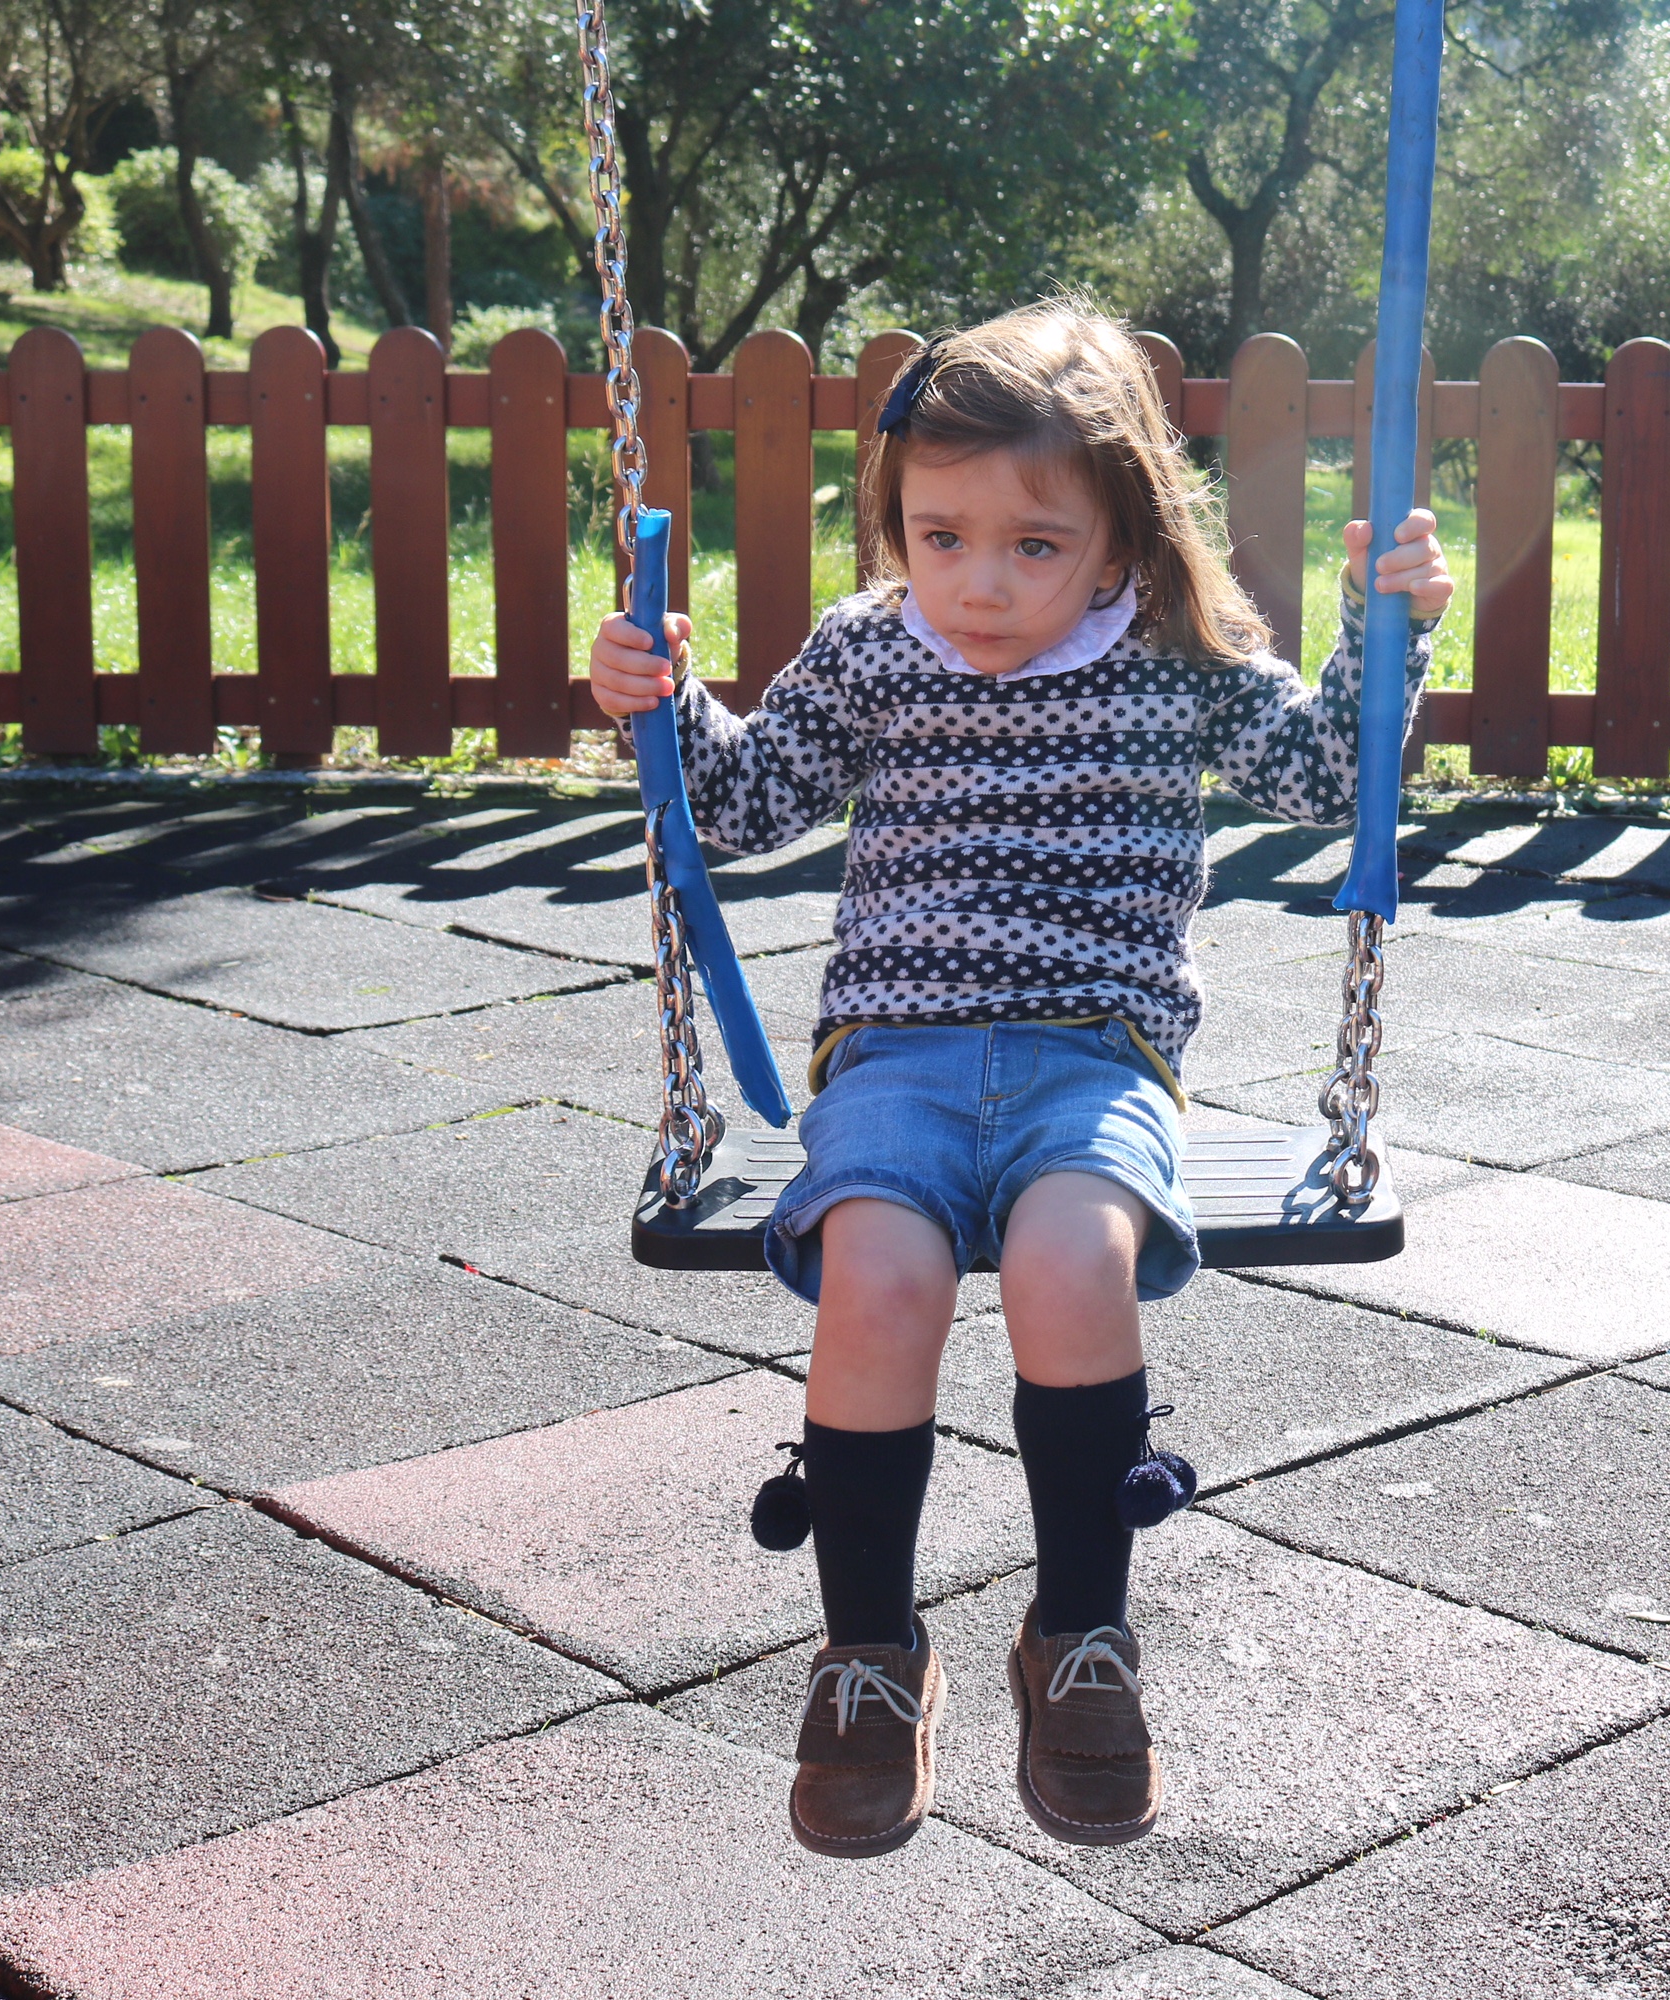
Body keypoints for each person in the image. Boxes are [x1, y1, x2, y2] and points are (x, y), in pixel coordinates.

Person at [587, 297, 1450, 1859]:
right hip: (894, 1061)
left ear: (1122, 536)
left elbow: (1330, 774)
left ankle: (1079, 1638)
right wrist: (659, 705)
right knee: (878, 1278)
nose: (980, 583)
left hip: (1092, 1056)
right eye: (941, 536)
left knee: (1073, 1263)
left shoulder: (1179, 662)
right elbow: (746, 803)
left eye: (1035, 546)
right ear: (897, 525)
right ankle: (868, 1651)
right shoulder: (872, 650)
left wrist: (1386, 634)